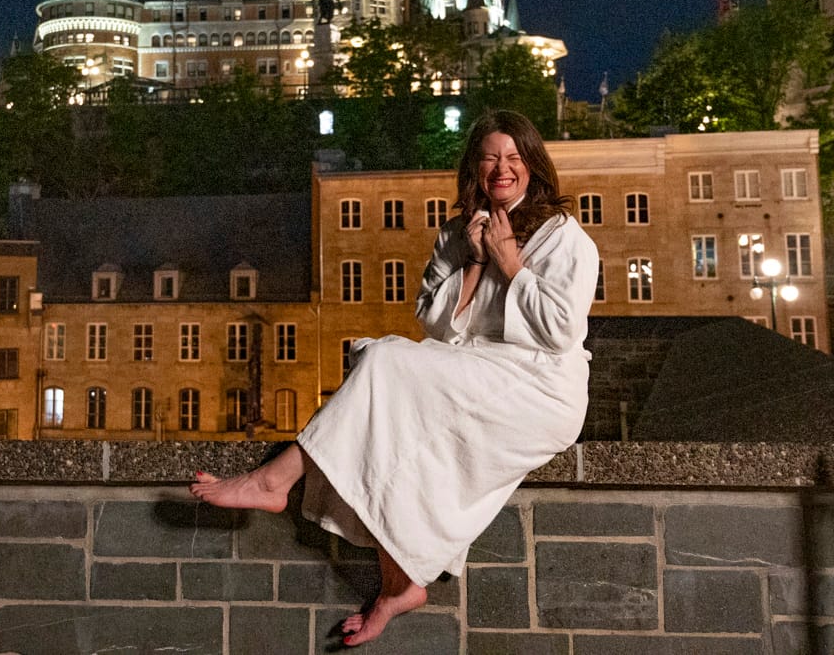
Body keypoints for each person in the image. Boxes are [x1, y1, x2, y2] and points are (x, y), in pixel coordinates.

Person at [191, 110, 597, 646]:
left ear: (533, 167)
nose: (502, 169)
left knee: (383, 364)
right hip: (474, 370)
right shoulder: (457, 233)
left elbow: (562, 330)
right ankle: (397, 583)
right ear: (475, 168)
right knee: (387, 409)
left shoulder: (563, 236)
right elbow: (434, 322)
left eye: (515, 158)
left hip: (540, 383)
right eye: (491, 158)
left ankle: (275, 480)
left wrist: (511, 262)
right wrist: (475, 261)